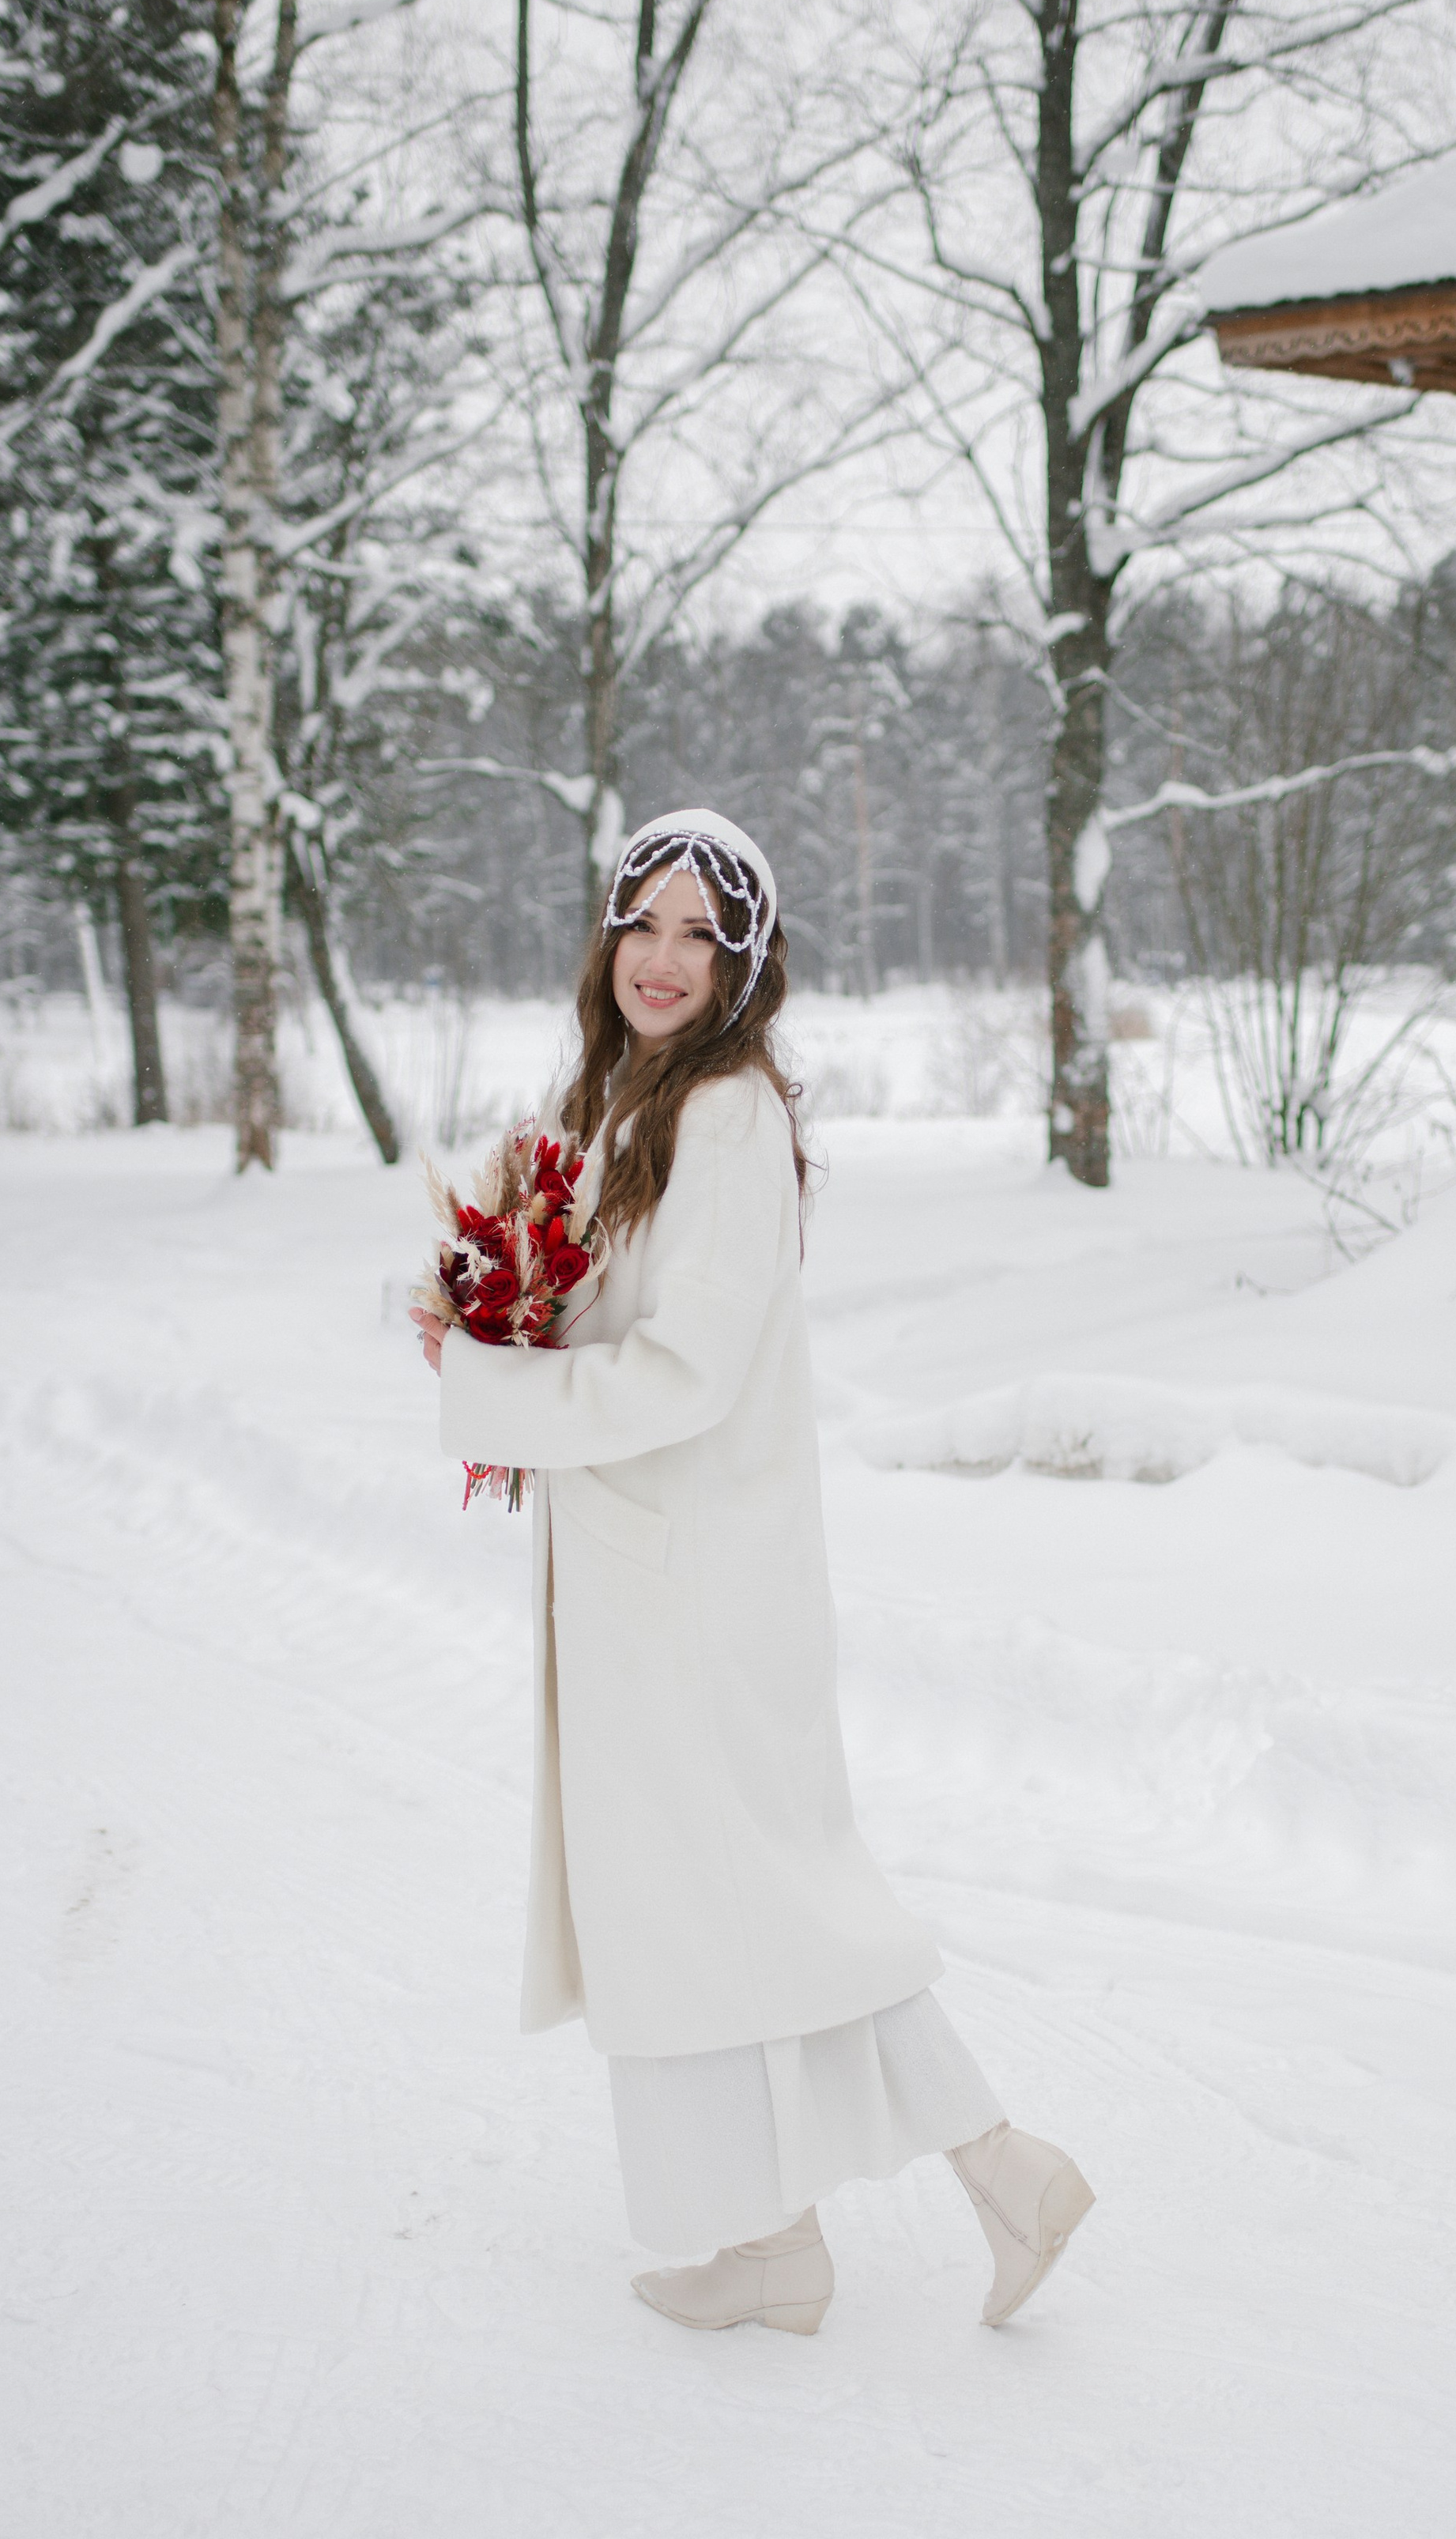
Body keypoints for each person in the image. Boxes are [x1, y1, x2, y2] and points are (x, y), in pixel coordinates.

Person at [415, 809, 1092, 2336]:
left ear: (746, 963)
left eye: (698, 935)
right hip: (644, 1582)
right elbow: (612, 1319)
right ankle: (767, 2237)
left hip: (697, 1600)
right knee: (690, 1921)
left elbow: (689, 1371)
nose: (662, 958)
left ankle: (1005, 2169)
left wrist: (498, 1385)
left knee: (777, 1909)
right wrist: (504, 1314)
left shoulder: (720, 1113)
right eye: (639, 923)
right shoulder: (625, 1101)